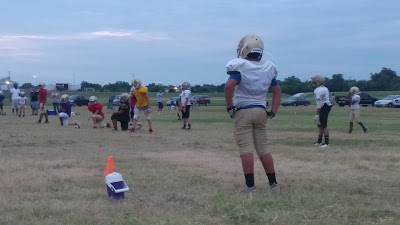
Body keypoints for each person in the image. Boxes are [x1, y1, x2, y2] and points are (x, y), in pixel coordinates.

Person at [224, 34, 281, 192]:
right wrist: (273, 110)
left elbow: (229, 86)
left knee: (246, 149)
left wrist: (229, 107)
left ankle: (250, 186)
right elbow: (277, 91)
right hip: (261, 110)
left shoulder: (240, 66)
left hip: (243, 111)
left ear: (245, 49)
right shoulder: (267, 67)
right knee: (263, 148)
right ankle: (273, 184)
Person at [310, 75, 332, 148]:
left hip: (324, 106)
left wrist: (317, 114)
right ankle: (319, 141)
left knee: (324, 124)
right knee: (320, 125)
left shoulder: (318, 90)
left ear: (318, 82)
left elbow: (320, 103)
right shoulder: (323, 88)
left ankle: (327, 143)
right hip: (325, 106)